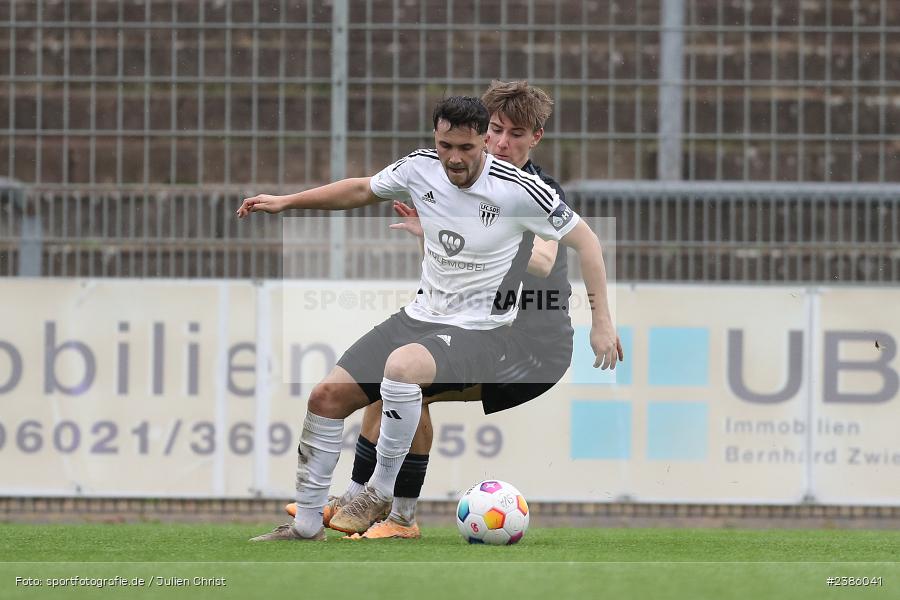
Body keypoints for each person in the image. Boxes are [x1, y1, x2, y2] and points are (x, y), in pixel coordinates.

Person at [238, 95, 620, 542]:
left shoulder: (520, 190)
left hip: (479, 332)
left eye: (466, 147)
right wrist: (287, 202)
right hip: (419, 316)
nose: (455, 158)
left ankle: (378, 494)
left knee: (401, 372)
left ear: (481, 142)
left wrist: (602, 322)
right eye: (445, 146)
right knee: (326, 396)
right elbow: (361, 189)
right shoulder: (420, 167)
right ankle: (305, 526)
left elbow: (587, 242)